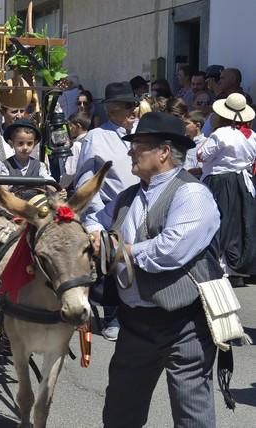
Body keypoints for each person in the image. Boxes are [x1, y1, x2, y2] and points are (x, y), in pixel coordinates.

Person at [87, 111, 221, 428]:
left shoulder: (192, 193)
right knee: (120, 413)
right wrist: (95, 234)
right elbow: (94, 220)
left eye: (139, 146)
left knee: (193, 417)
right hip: (135, 322)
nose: (131, 152)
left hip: (182, 323)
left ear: (163, 151)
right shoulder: (127, 196)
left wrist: (118, 249)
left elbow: (168, 251)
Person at [76, 81, 140, 341]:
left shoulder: (138, 132)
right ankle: (111, 314)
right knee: (111, 264)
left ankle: (132, 314)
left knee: (134, 263)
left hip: (138, 206)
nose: (134, 111)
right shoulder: (96, 136)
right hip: (108, 211)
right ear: (113, 110)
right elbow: (85, 179)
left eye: (134, 106)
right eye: (128, 107)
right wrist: (94, 216)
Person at [197, 93, 256, 286]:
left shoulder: (220, 134)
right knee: (239, 223)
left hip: (220, 181)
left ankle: (220, 267)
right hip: (242, 181)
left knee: (219, 221)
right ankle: (236, 267)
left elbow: (202, 156)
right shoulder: (252, 136)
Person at [60, 112, 91, 189]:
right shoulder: (91, 140)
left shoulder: (76, 145)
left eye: (70, 126)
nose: (68, 129)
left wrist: (60, 187)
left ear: (78, 126)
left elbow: (70, 172)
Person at [183, 110, 206, 175]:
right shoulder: (183, 141)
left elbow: (201, 169)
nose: (183, 126)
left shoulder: (205, 144)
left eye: (187, 124)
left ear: (197, 126)